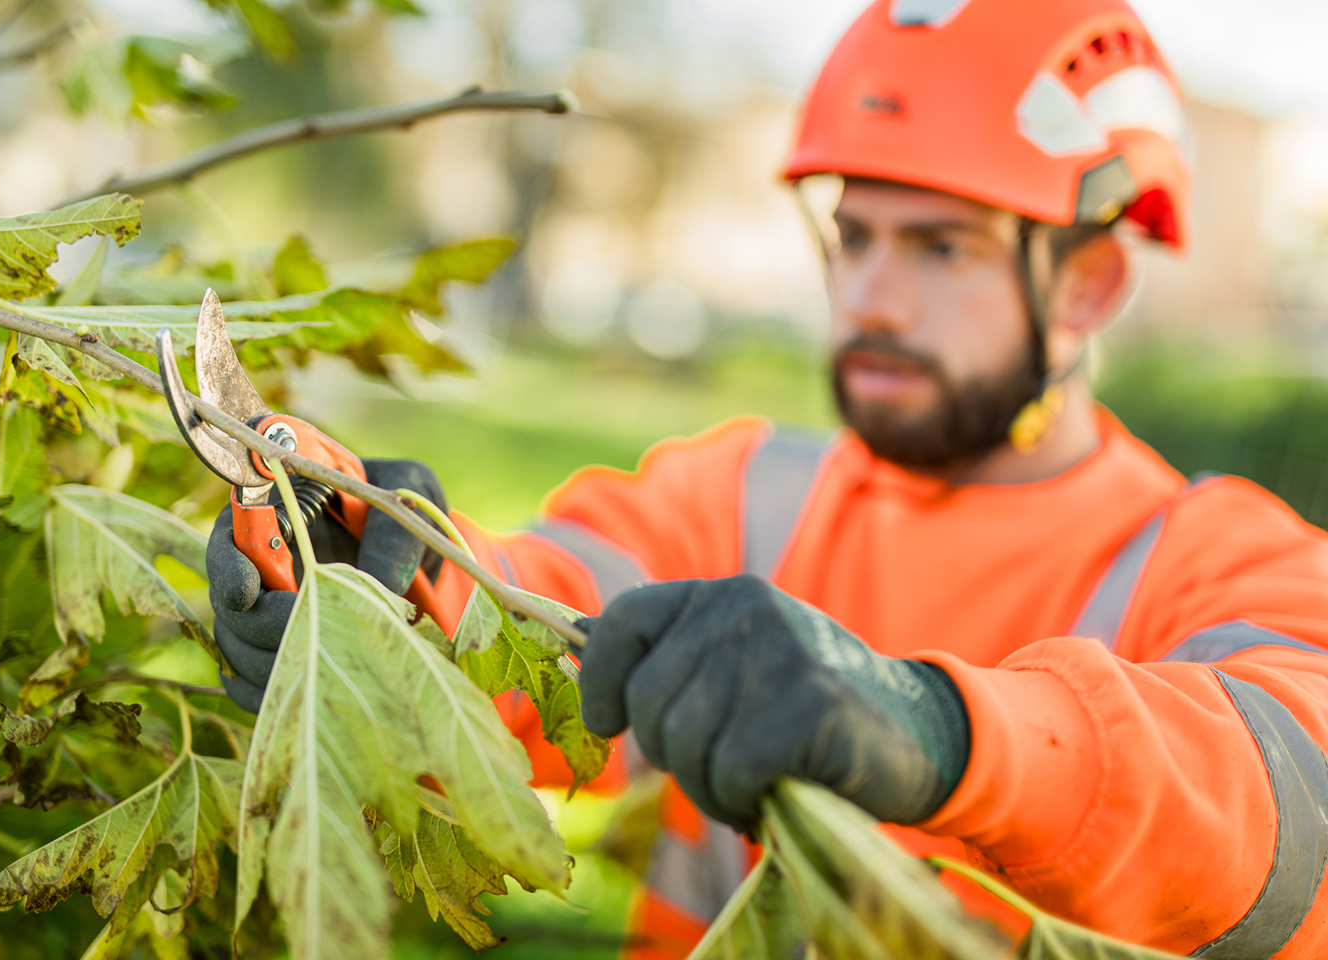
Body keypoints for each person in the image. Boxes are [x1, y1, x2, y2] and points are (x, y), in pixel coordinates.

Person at [205, 0, 1328, 957]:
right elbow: (544, 612)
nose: (871, 297)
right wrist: (391, 584)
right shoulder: (741, 494)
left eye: (942, 247)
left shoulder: (1218, 555)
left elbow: (1287, 803)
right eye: (856, 236)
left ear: (1087, 284)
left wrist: (944, 738)